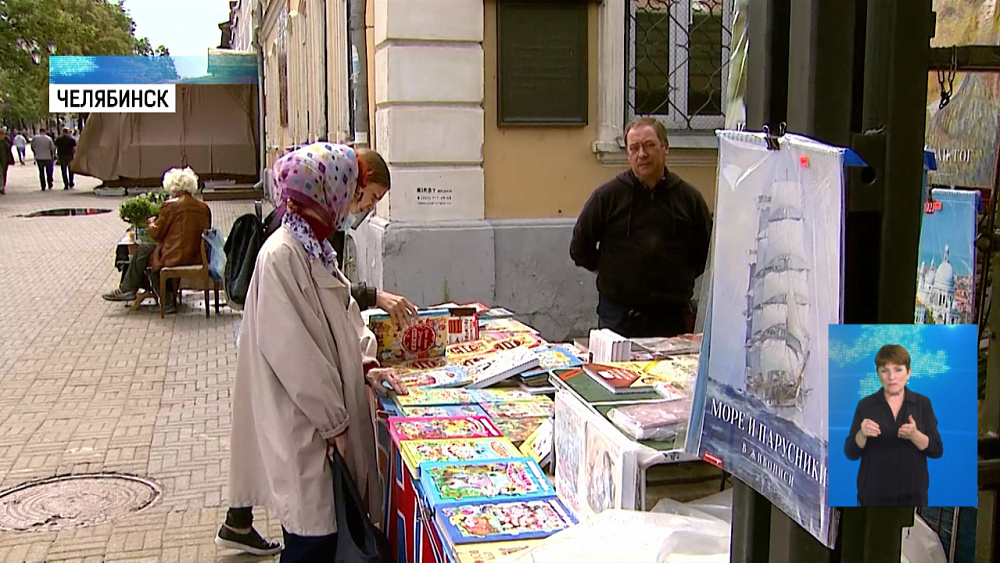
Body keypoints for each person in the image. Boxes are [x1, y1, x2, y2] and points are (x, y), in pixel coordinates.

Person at [219, 142, 407, 561]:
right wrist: (335, 423)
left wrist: (365, 366)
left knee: (324, 533)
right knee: (312, 539)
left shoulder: (314, 247)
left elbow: (341, 319)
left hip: (321, 427)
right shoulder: (283, 254)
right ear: (329, 191)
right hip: (306, 430)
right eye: (359, 195)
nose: (357, 207)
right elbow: (297, 356)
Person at [570, 117, 712, 338]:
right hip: (619, 318)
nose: (642, 154)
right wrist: (611, 272)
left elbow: (705, 252)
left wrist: (677, 277)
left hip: (672, 319)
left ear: (665, 148)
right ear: (628, 154)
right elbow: (580, 247)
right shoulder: (607, 197)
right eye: (634, 148)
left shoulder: (689, 199)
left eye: (649, 145)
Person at [101, 168, 212, 314]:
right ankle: (143, 293)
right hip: (196, 255)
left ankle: (132, 290)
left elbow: (156, 233)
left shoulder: (171, 205)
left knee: (145, 253)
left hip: (174, 255)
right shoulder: (203, 207)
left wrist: (151, 223)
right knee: (147, 252)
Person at [844, 344, 944, 507]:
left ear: (908, 373)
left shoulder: (923, 404)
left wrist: (915, 436)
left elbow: (937, 449)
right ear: (878, 374)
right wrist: (861, 434)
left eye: (898, 370)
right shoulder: (865, 405)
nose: (891, 377)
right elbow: (850, 452)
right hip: (873, 497)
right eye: (885, 370)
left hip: (913, 498)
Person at [0, 129, 11, 194]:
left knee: (3, 173)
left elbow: (9, 148)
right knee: (1, 174)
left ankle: (2, 186)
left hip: (4, 160)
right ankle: (1, 187)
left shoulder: (5, 141)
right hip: (3, 160)